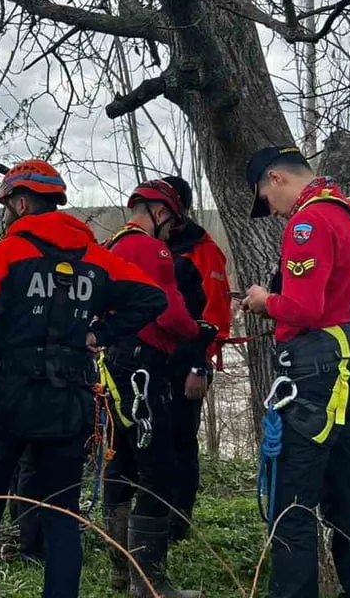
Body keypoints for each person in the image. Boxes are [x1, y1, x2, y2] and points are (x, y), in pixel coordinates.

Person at [0, 159, 168, 598]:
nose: (5, 215)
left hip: (4, 399)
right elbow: (152, 297)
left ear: (22, 202)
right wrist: (98, 333)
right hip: (69, 402)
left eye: (7, 205)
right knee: (62, 514)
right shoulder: (97, 259)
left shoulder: (8, 254)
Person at [239, 147, 350, 598]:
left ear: (276, 178)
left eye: (266, 197)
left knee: (291, 504)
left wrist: (265, 301)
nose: (270, 208)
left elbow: (304, 309)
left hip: (314, 379)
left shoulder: (307, 222)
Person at [100, 179, 212, 598]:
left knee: (122, 461)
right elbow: (170, 309)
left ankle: (122, 571)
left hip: (113, 366)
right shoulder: (151, 249)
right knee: (158, 469)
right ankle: (149, 585)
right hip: (141, 368)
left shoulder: (110, 246)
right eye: (171, 224)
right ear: (162, 213)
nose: (170, 234)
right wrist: (197, 333)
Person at [159, 175, 231, 544]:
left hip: (187, 363)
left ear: (180, 210)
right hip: (146, 364)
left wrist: (200, 366)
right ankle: (149, 516)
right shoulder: (142, 244)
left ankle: (178, 521)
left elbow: (217, 315)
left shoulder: (204, 251)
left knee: (181, 443)